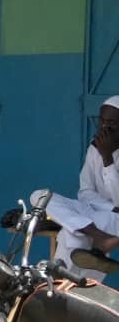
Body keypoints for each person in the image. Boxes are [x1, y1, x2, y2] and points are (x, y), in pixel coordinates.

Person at [44, 97, 119, 280]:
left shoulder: (103, 150)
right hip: (93, 212)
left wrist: (107, 158)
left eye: (111, 123)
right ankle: (98, 237)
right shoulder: (95, 148)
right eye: (102, 121)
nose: (104, 127)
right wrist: (108, 206)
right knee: (41, 197)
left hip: (114, 218)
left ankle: (60, 282)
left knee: (71, 234)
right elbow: (85, 192)